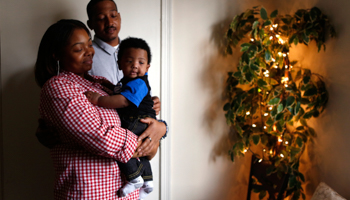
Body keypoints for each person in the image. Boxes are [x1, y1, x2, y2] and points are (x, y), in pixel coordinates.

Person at [35, 19, 166, 200]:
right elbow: (102, 137)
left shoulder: (98, 83)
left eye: (89, 44)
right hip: (91, 193)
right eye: (79, 48)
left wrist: (160, 128)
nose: (89, 51)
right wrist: (151, 139)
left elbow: (131, 115)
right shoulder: (58, 87)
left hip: (124, 193)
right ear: (56, 54)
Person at [85, 37, 158, 199]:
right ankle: (147, 180)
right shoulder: (126, 82)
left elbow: (124, 101)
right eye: (129, 61)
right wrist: (110, 90)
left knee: (121, 144)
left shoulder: (139, 83)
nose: (134, 66)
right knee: (141, 150)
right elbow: (119, 92)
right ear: (119, 64)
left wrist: (99, 100)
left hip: (139, 120)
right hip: (138, 121)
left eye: (140, 62)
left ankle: (134, 178)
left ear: (147, 67)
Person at [85, 0, 161, 115]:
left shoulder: (138, 53)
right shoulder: (87, 56)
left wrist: (151, 103)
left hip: (136, 122)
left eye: (113, 16)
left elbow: (135, 90)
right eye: (101, 18)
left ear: (119, 17)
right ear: (90, 24)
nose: (110, 22)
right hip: (107, 126)